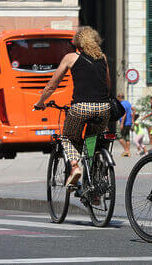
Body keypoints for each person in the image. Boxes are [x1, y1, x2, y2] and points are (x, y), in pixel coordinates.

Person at [34, 26, 112, 187]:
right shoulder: (102, 57)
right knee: (92, 140)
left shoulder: (71, 58)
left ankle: (75, 167)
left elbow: (51, 86)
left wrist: (40, 102)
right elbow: (108, 85)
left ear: (78, 42)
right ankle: (93, 186)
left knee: (68, 138)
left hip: (81, 107)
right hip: (104, 107)